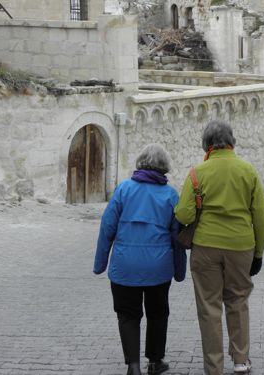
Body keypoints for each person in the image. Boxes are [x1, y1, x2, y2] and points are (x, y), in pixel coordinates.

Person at [175, 120, 264, 375]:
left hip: (205, 247)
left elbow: (183, 214)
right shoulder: (248, 171)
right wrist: (258, 253)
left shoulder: (197, 173)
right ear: (231, 142)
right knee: (238, 300)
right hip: (241, 247)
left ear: (207, 144)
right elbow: (260, 216)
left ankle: (214, 367)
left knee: (209, 307)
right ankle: (240, 360)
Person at [93, 144, 179, 375]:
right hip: (158, 268)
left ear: (140, 163)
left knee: (128, 315)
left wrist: (100, 264)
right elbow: (177, 236)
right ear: (165, 167)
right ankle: (155, 361)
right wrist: (180, 270)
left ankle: (133, 365)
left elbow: (107, 228)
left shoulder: (123, 190)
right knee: (158, 313)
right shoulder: (170, 195)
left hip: (125, 267)